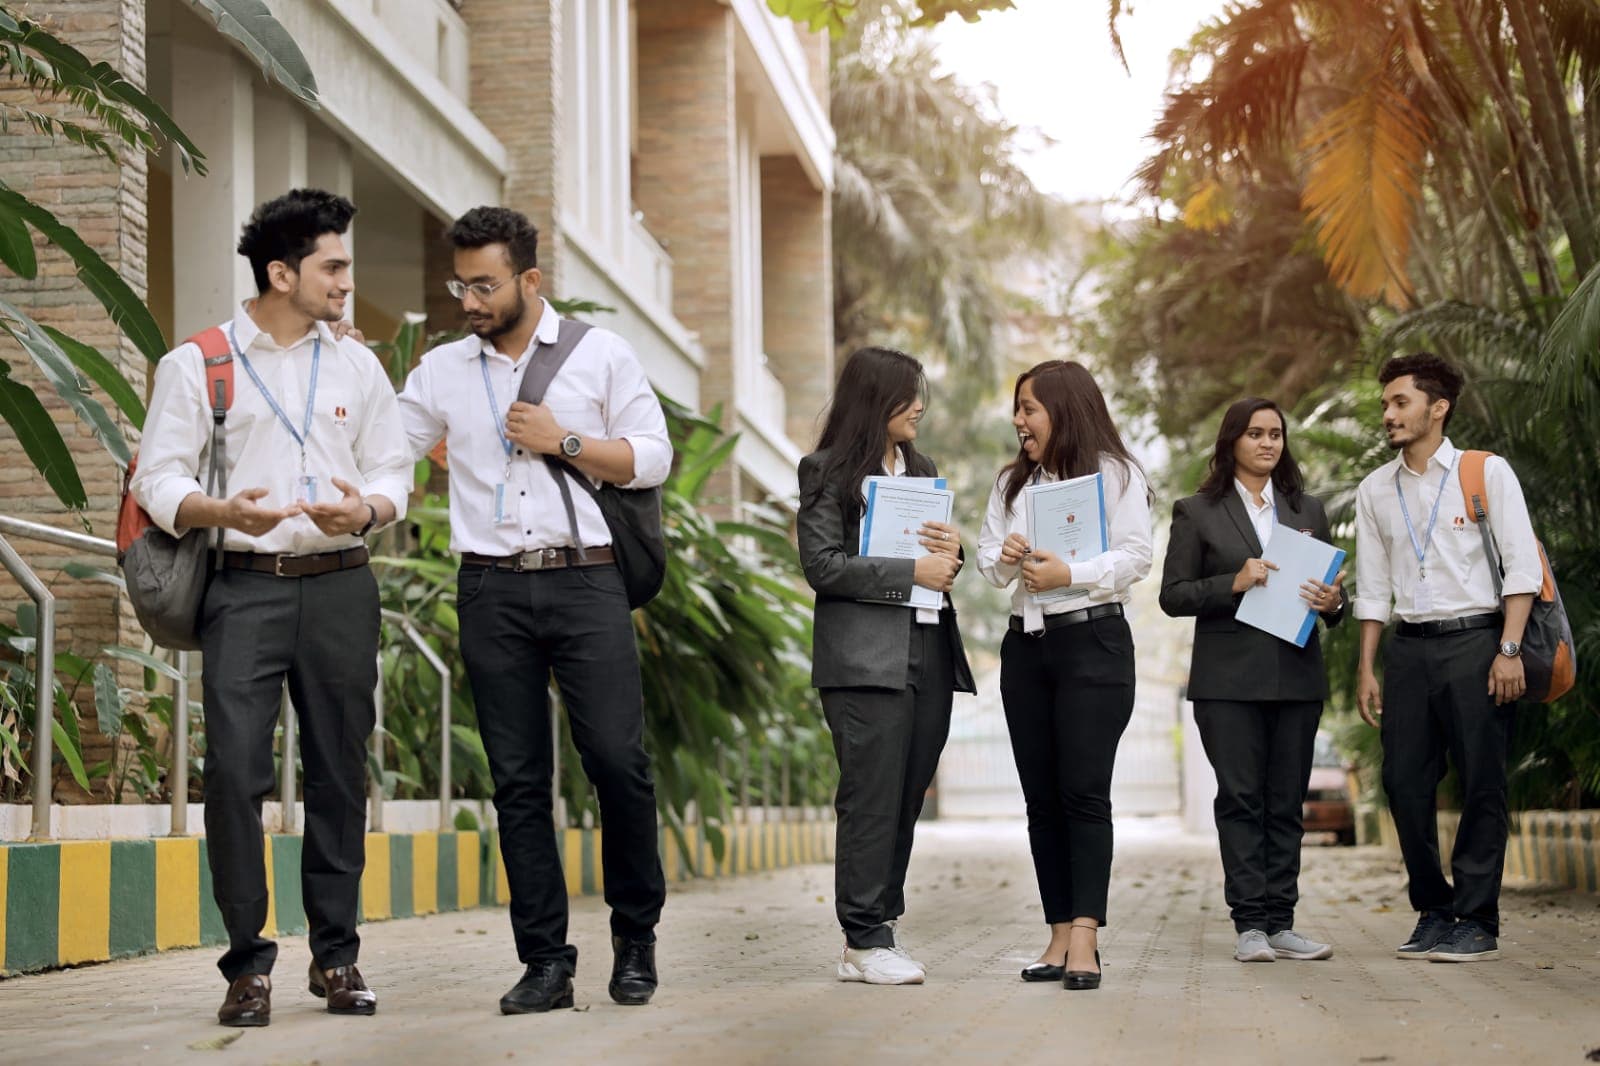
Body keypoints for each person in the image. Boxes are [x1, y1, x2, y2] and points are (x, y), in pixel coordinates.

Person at [131, 189, 411, 1026]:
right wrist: (218, 511)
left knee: (339, 773)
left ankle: (337, 957)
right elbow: (156, 477)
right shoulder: (197, 362)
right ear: (282, 273)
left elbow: (392, 469)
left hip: (341, 584)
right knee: (234, 774)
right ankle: (246, 967)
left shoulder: (357, 365)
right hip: (243, 587)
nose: (346, 282)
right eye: (333, 266)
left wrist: (366, 510)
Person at [397, 206, 670, 1012]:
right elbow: (385, 447)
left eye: (484, 285)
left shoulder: (600, 354)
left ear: (529, 279)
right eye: (461, 285)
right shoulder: (443, 370)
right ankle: (546, 961)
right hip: (490, 588)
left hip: (587, 581)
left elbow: (652, 458)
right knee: (517, 781)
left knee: (617, 762)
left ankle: (636, 938)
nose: (469, 301)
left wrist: (565, 441)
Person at [796, 347, 976, 985]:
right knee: (870, 798)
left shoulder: (922, 468)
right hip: (863, 660)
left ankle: (881, 928)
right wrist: (911, 572)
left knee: (905, 797)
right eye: (908, 395)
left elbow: (938, 562)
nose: (920, 406)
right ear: (875, 399)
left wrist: (952, 553)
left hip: (928, 648)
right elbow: (823, 567)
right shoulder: (826, 471)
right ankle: (863, 937)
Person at [1354, 353, 1540, 963]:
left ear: (1438, 408)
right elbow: (1373, 587)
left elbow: (1522, 567)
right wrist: (1367, 668)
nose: (1388, 414)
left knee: (1482, 780)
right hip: (1408, 649)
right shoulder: (1375, 489)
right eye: (1385, 404)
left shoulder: (1484, 472)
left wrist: (1509, 649)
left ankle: (1477, 920)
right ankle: (1434, 910)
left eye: (1400, 402)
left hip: (1477, 643)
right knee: (1403, 783)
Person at [976, 360, 1152, 991]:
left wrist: (1069, 575)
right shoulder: (1011, 484)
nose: (1018, 421)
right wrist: (1006, 557)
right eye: (1017, 409)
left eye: (1029, 408)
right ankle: (1056, 934)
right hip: (1026, 649)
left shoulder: (1117, 474)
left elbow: (1137, 556)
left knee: (1084, 792)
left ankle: (1085, 936)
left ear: (1064, 409)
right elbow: (990, 564)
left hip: (1094, 644)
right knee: (1042, 800)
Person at [1158, 398, 1347, 964]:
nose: (1267, 443)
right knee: (1241, 800)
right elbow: (1173, 596)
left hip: (1297, 678)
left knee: (1286, 803)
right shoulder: (1197, 511)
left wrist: (1335, 603)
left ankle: (1282, 923)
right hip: (1228, 683)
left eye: (1276, 434)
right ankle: (1250, 926)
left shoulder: (1307, 508)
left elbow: (1332, 596)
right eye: (1255, 433)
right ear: (1232, 441)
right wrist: (1233, 582)